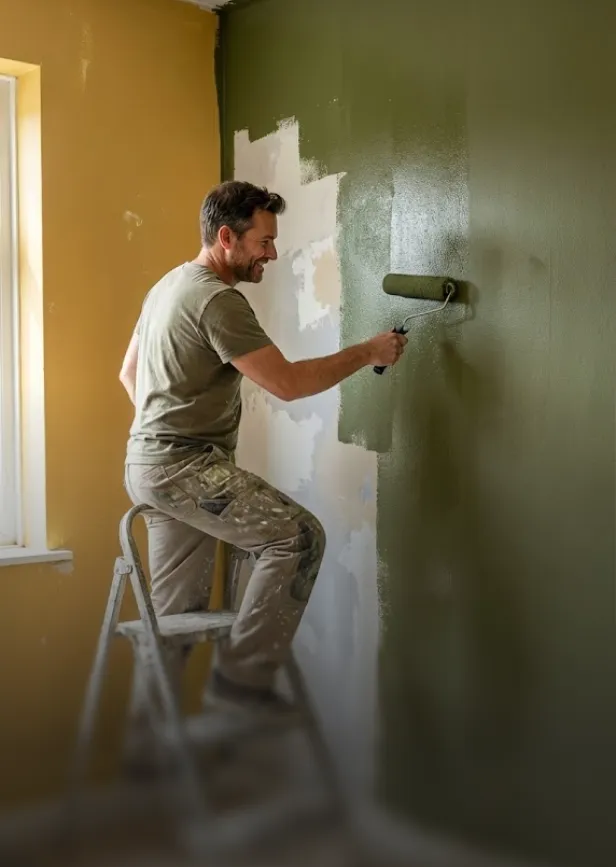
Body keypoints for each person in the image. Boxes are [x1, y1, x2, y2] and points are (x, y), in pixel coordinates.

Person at [119, 180, 407, 716]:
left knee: (175, 620)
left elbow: (128, 372)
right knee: (299, 538)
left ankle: (149, 746)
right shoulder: (216, 300)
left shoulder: (167, 287)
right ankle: (241, 684)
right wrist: (368, 351)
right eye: (264, 242)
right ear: (227, 238)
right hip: (183, 467)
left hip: (148, 464)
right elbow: (287, 385)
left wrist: (159, 430)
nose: (272, 254)